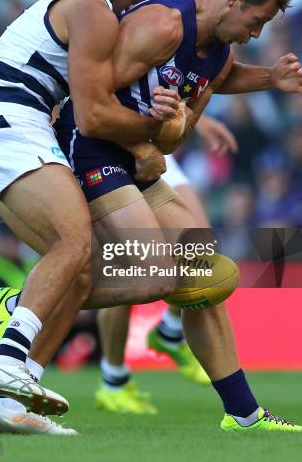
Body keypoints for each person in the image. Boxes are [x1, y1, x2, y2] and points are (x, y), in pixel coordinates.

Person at [0, 0, 302, 433]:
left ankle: (244, 414)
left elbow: (174, 139)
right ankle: (15, 306)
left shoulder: (219, 57)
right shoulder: (161, 25)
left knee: (203, 265)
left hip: (137, 162)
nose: (257, 33)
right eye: (257, 20)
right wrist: (141, 137)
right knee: (155, 271)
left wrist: (259, 84)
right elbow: (89, 95)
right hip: (92, 150)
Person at [0, 0, 180, 419]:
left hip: (3, 126)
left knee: (99, 272)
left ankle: (12, 403)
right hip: (4, 122)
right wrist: (152, 135)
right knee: (72, 242)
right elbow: (95, 117)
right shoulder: (91, 7)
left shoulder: (93, 4)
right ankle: (11, 327)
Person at [96, 121, 238, 415]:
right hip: (109, 150)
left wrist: (199, 119)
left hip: (154, 150)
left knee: (202, 252)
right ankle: (114, 381)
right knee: (128, 264)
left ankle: (170, 332)